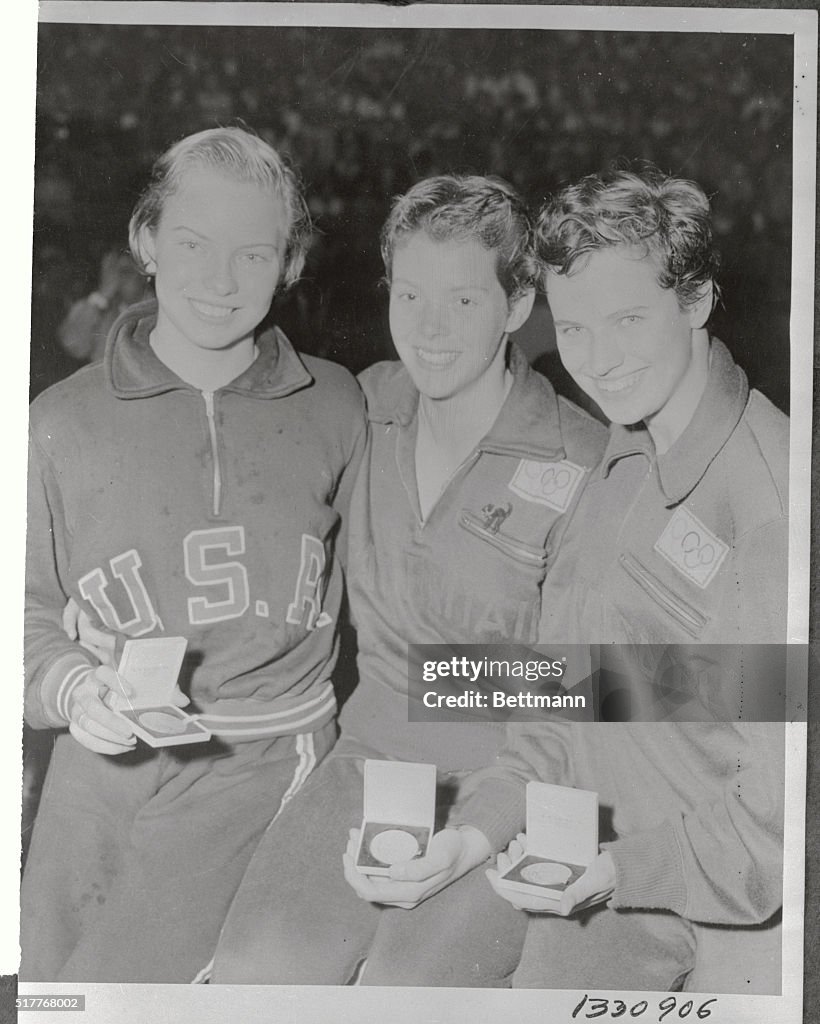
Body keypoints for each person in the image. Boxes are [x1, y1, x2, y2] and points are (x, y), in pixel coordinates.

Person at [380, 165, 787, 994]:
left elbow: (772, 841)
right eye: (573, 330)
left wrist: (609, 871)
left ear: (698, 301)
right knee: (398, 976)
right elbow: (568, 686)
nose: (597, 362)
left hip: (677, 894)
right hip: (569, 836)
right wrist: (474, 833)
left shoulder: (770, 515)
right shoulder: (626, 440)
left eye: (628, 319)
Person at [210, 175, 607, 986]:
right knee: (256, 973)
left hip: (515, 787)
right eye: (411, 295)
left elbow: (597, 692)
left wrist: (480, 823)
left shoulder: (585, 463)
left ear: (518, 304)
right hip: (366, 762)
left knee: (407, 991)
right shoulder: (361, 406)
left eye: (462, 303)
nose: (428, 331)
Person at [22, 126, 366, 983]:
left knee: (132, 987)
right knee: (49, 992)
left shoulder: (338, 403)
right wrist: (68, 683)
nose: (220, 282)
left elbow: (397, 612)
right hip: (96, 772)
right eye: (191, 244)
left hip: (259, 761)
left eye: (253, 254)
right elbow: (20, 610)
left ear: (290, 264)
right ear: (145, 242)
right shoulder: (57, 418)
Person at [57, 248, 149, 364]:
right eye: (113, 273)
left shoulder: (160, 311)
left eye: (126, 272)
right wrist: (102, 296)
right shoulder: (101, 308)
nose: (118, 280)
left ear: (145, 276)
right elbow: (74, 345)